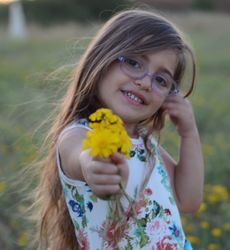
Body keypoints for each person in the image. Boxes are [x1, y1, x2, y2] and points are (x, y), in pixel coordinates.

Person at [32, 9, 204, 250]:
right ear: (102, 59)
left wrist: (189, 134)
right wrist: (95, 165)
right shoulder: (79, 135)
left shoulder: (146, 144)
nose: (145, 82)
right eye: (133, 62)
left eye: (161, 80)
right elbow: (81, 157)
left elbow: (189, 200)